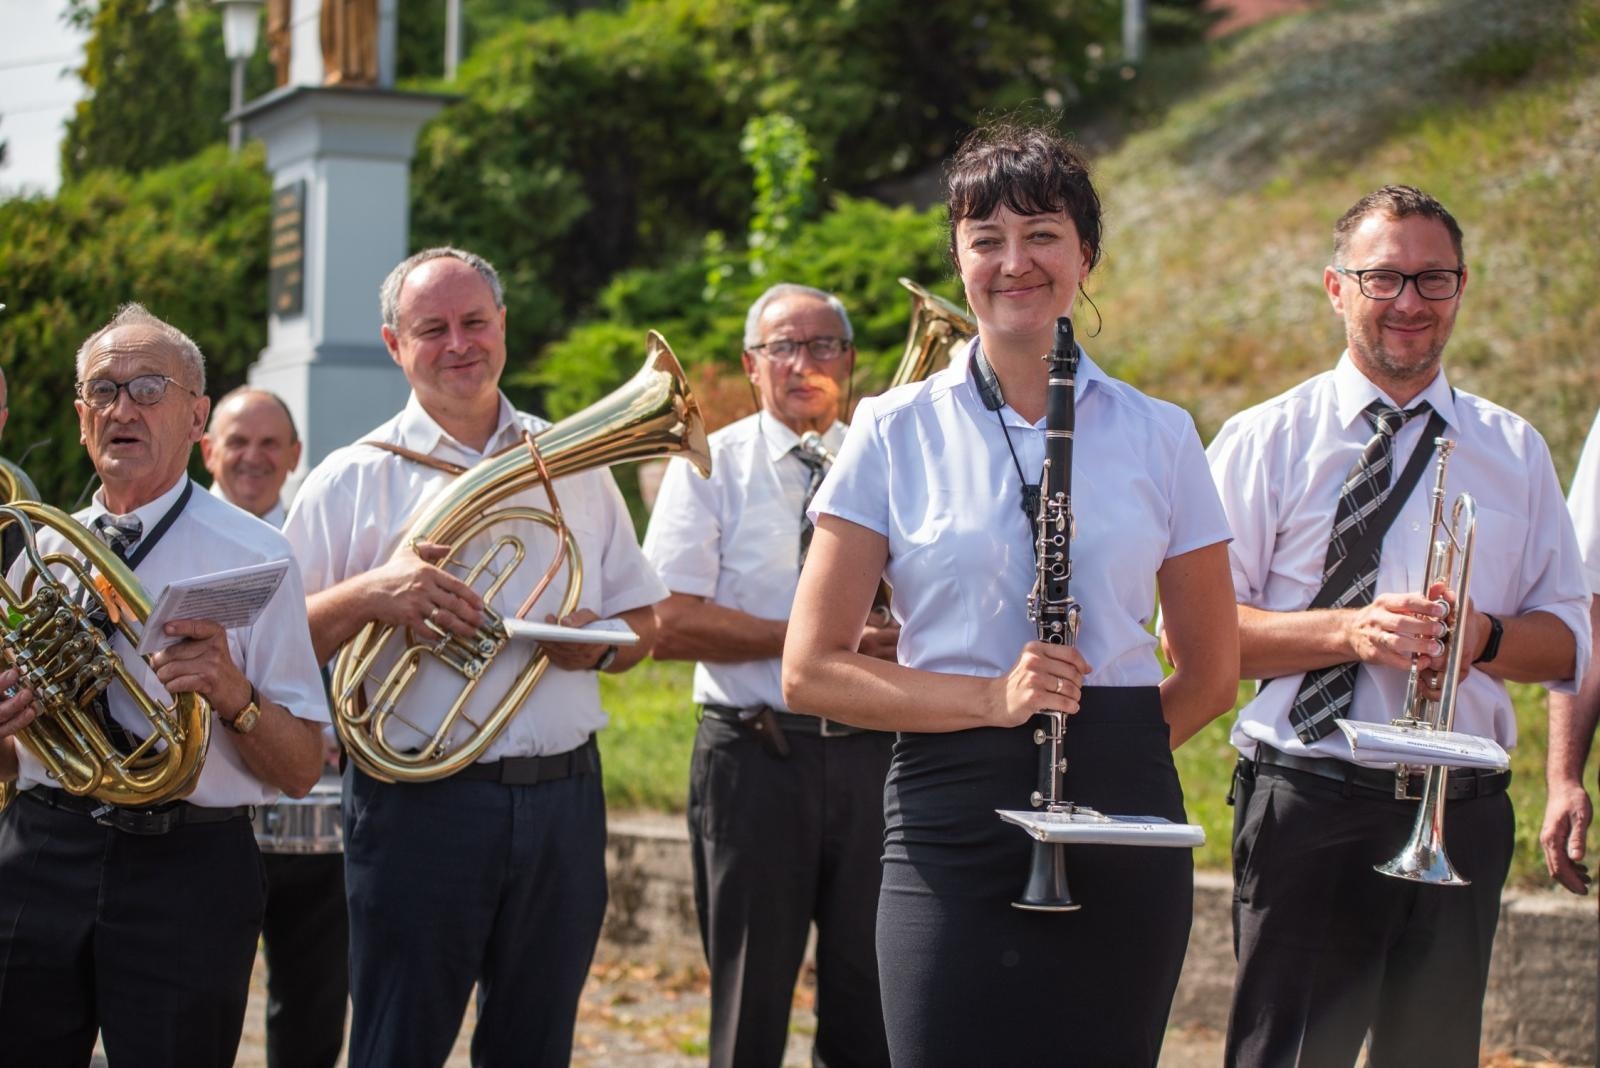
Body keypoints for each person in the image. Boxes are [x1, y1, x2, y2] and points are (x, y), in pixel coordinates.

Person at [781, 121, 1240, 1066]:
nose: (1012, 261)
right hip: (950, 813)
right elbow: (811, 670)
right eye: (984, 239)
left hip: (1120, 808)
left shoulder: (1163, 434)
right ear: (957, 259)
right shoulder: (891, 428)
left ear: (1085, 253)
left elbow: (1211, 672)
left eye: (1041, 233)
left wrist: (1111, 751)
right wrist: (992, 705)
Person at [1207, 185, 1592, 1066]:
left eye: (1433, 279)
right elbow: (1194, 638)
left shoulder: (1516, 448)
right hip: (1309, 797)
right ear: (1336, 289)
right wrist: (1349, 634)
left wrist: (1484, 638)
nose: (1410, 302)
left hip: (1462, 811)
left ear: (1462, 288)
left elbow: (1569, 643)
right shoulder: (1263, 439)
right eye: (1384, 279)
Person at [282, 246, 667, 1068]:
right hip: (416, 808)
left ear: (502, 328)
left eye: (474, 322)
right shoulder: (349, 479)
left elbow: (645, 621)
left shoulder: (574, 462)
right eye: (433, 329)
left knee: (536, 1046)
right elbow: (274, 646)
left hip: (564, 799)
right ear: (395, 345)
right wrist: (373, 595)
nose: (459, 343)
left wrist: (593, 648)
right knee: (398, 1043)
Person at [0, 304, 330, 1066]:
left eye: (150, 388)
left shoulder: (259, 555)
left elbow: (302, 767)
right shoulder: (35, 548)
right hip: (43, 845)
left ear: (197, 415)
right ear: (81, 418)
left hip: (186, 868)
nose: (123, 407)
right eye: (103, 390)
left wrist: (232, 693)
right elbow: (13, 762)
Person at [643, 284, 896, 1068]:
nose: (804, 363)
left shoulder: (888, 460)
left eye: (824, 346)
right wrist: (816, 644)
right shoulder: (709, 465)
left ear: (850, 363)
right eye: (784, 346)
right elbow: (667, 620)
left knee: (872, 1003)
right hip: (755, 758)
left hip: (875, 757)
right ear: (753, 366)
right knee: (750, 1004)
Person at [202, 386, 348, 1068]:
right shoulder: (176, 539)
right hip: (205, 825)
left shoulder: (319, 541)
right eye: (237, 442)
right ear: (208, 451)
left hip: (318, 827)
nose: (253, 459)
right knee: (193, 1010)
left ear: (295, 456)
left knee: (313, 1013)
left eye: (269, 445)